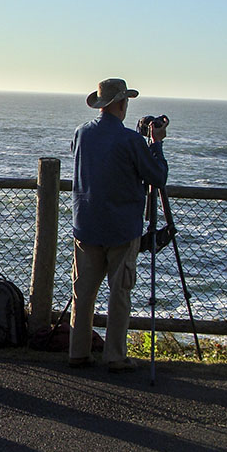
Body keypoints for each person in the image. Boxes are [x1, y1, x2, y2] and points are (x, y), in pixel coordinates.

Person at [68, 78, 167, 372]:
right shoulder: (131, 141)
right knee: (119, 292)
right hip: (122, 228)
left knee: (83, 293)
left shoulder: (81, 133)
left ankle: (78, 351)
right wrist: (156, 144)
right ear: (122, 103)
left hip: (86, 224)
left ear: (101, 105)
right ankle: (115, 355)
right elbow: (157, 177)